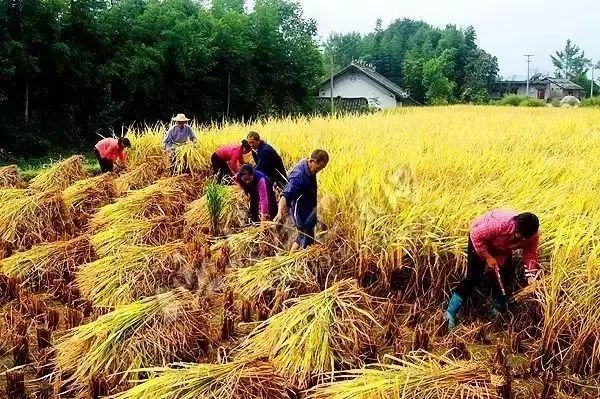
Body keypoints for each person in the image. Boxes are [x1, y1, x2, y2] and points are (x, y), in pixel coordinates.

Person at [445, 210, 541, 329]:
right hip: (481, 241)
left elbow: (530, 254)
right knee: (474, 277)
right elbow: (476, 235)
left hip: (503, 247)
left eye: (523, 237)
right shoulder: (500, 224)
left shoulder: (533, 236)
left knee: (504, 278)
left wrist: (531, 276)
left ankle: (496, 315)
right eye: (517, 233)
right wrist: (488, 257)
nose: (519, 237)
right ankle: (450, 314)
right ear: (515, 225)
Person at [274, 150, 329, 251]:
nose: (319, 170)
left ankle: (302, 255)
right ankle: (294, 259)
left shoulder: (307, 165)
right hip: (300, 212)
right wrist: (280, 213)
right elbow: (286, 195)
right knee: (303, 236)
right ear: (313, 161)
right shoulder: (299, 177)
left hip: (308, 208)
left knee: (307, 236)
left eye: (322, 168)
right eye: (319, 167)